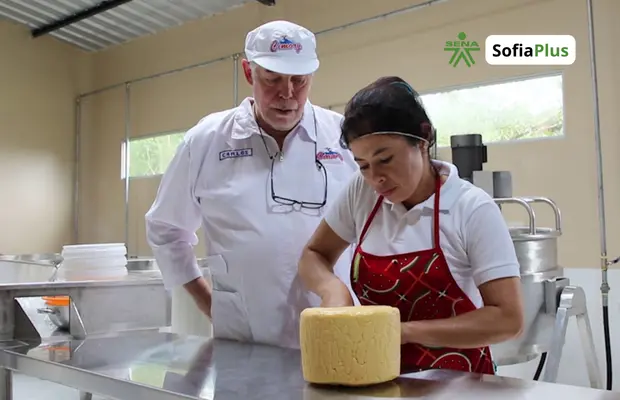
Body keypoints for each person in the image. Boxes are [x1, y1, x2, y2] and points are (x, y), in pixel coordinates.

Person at [145, 20, 358, 349]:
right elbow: (165, 229)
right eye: (272, 79)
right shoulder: (206, 141)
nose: (287, 94)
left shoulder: (343, 138)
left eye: (299, 81)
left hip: (336, 337)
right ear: (248, 72)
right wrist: (206, 300)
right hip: (244, 340)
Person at [298, 76, 524, 374]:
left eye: (385, 159)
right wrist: (332, 290)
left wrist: (402, 332)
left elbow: (508, 319)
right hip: (378, 378)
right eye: (363, 165)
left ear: (422, 138)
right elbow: (314, 254)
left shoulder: (471, 208)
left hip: (459, 386)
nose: (375, 178)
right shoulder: (361, 193)